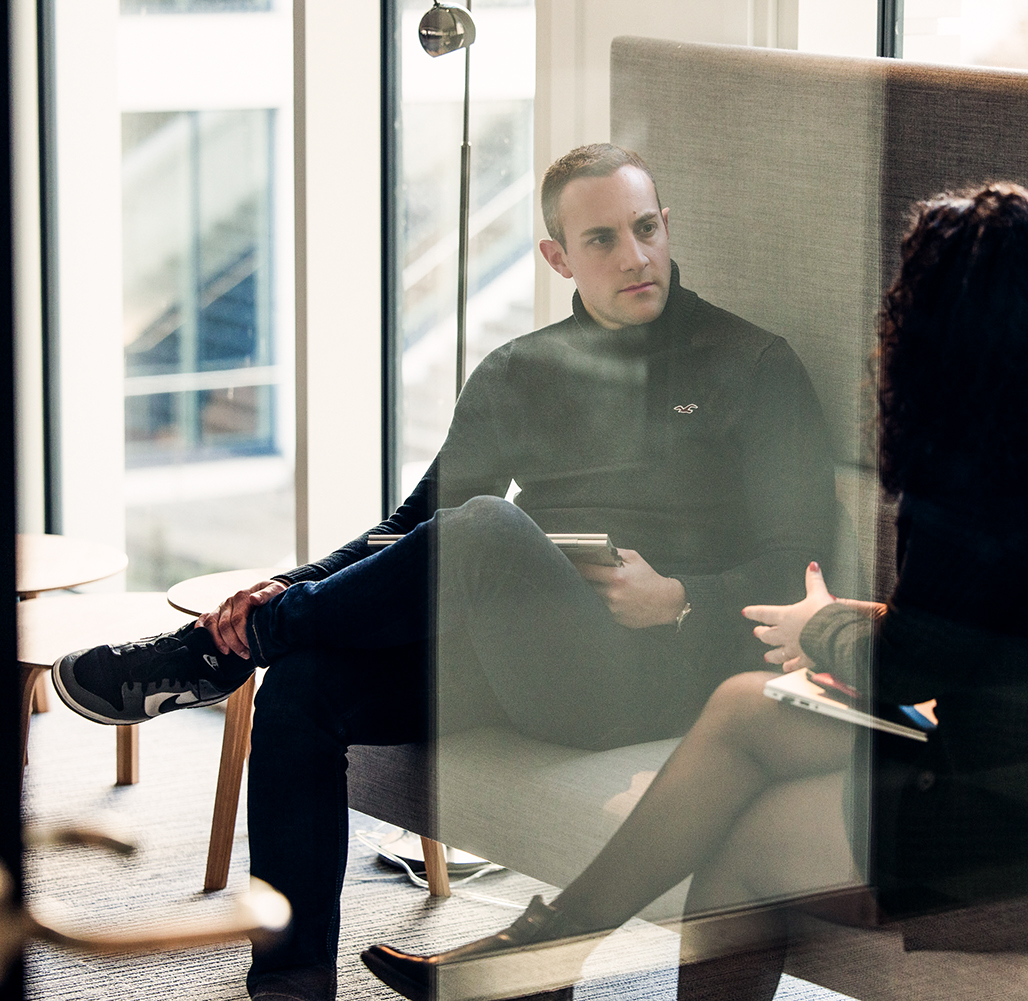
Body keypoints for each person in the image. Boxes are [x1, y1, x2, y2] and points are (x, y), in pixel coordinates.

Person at [49, 143, 837, 1001]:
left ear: (667, 224)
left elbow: (799, 563)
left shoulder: (753, 363)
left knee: (490, 527)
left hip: (654, 675)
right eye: (603, 239)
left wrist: (682, 599)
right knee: (305, 686)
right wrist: (279, 586)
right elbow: (412, 528)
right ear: (558, 258)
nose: (636, 256)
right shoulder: (519, 370)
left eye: (646, 229)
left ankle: (209, 655)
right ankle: (291, 979)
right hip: (524, 654)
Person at [360, 181, 1028, 1001]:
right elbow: (983, 631)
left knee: (741, 848)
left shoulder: (974, 477)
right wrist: (860, 618)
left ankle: (541, 959)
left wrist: (823, 631)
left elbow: (913, 673)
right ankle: (544, 959)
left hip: (1007, 828)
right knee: (748, 703)